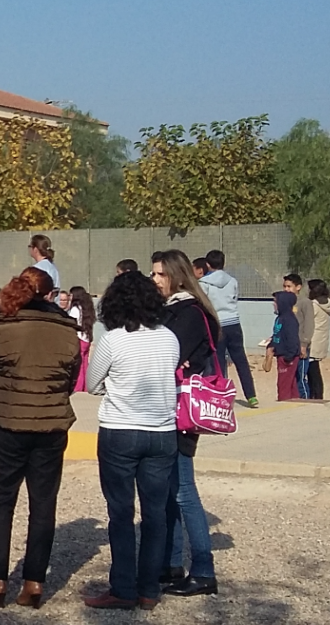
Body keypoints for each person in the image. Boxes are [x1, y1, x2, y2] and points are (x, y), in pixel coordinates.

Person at [0, 267, 80, 610]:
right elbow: (70, 379)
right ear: (50, 295)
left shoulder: (2, 327)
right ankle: (34, 581)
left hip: (8, 423)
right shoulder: (67, 330)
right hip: (51, 425)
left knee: (1, 502)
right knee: (43, 504)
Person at [83, 271, 181, 611]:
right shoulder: (169, 337)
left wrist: (115, 388)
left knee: (121, 513)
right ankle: (149, 589)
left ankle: (123, 587)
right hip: (162, 432)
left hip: (121, 430)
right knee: (156, 514)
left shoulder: (113, 340)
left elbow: (92, 384)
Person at [152, 250, 223, 599]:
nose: (155, 281)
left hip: (181, 409)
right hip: (170, 407)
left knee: (183, 490)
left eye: (160, 274)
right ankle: (170, 563)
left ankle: (204, 570)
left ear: (177, 276)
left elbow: (168, 356)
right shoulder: (175, 310)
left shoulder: (189, 313)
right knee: (169, 490)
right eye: (153, 274)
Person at [196, 251, 256, 406]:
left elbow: (203, 304)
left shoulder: (204, 283)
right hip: (234, 323)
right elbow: (234, 299)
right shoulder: (232, 281)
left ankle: (222, 396)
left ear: (207, 264)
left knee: (218, 362)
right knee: (241, 360)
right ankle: (251, 395)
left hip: (217, 324)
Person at [286, 274, 316, 399]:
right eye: (285, 286)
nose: (286, 289)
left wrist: (304, 344)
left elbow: (309, 324)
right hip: (289, 346)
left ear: (298, 287)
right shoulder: (286, 302)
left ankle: (305, 400)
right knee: (290, 376)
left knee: (301, 376)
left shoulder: (304, 303)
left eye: (289, 286)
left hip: (301, 346)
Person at [271, 287, 301, 402]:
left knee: (283, 383)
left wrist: (289, 356)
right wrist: (271, 345)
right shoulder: (280, 318)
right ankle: (294, 401)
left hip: (288, 356)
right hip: (281, 354)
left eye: (276, 302)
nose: (274, 304)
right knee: (290, 382)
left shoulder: (289, 320)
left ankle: (283, 402)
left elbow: (293, 339)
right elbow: (277, 334)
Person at [68, 287, 97, 393]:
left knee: (79, 365)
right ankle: (85, 386)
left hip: (79, 338)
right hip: (86, 338)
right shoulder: (87, 309)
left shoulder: (75, 309)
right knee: (85, 364)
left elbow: (72, 324)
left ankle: (78, 387)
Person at [307, 279, 329, 400]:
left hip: (313, 340)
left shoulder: (314, 305)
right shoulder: (327, 303)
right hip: (321, 340)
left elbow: (307, 321)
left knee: (313, 371)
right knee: (314, 370)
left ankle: (316, 395)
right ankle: (317, 394)